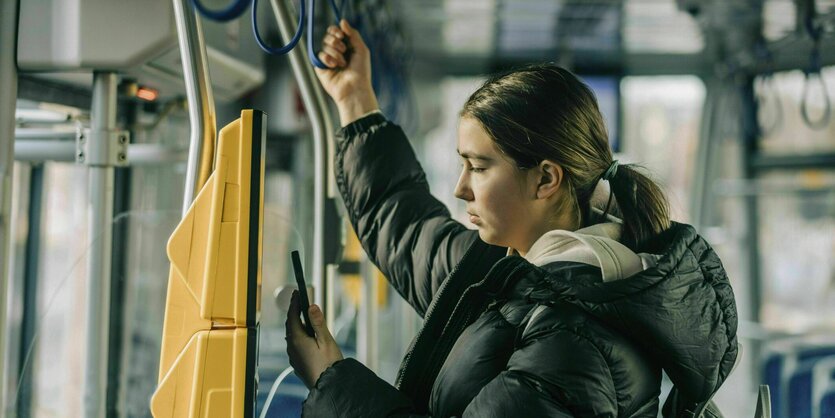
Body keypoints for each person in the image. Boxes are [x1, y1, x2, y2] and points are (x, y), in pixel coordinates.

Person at [285, 19, 739, 417]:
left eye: (479, 167)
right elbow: (407, 227)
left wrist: (331, 379)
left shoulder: (571, 343)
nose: (461, 187)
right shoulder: (516, 273)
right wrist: (355, 101)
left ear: (545, 180)